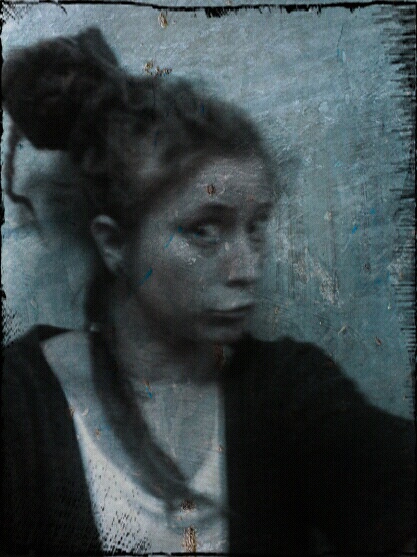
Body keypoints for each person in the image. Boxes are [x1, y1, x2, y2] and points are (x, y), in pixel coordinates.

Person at [1, 28, 415, 555]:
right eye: (204, 230)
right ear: (114, 242)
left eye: (255, 227)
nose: (246, 268)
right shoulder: (21, 406)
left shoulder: (284, 389)